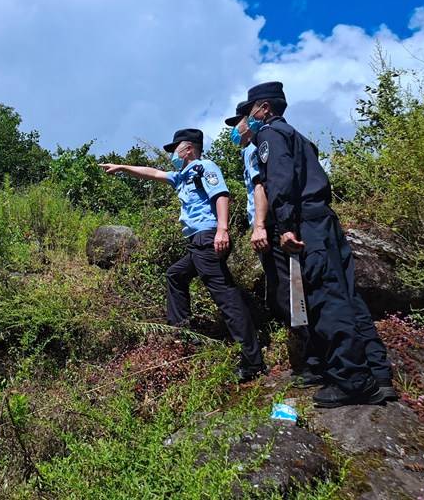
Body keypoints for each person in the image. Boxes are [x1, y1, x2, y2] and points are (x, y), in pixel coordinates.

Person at [243, 81, 397, 407]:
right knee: (348, 297)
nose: (249, 116)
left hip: (307, 224)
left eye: (251, 109)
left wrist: (284, 226)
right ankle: (378, 374)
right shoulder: (300, 137)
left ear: (264, 108)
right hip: (325, 221)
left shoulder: (269, 136)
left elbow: (280, 182)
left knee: (326, 298)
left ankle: (352, 381)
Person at [99, 128, 266, 382]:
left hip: (209, 238)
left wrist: (222, 230)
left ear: (188, 149)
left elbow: (221, 195)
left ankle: (253, 361)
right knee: (175, 275)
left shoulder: (203, 167)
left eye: (175, 149)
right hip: (197, 244)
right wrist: (122, 167)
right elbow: (153, 173)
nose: (172, 155)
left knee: (226, 298)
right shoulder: (182, 176)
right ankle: (181, 335)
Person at [225, 99, 323, 387]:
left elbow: (263, 187)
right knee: (282, 292)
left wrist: (260, 226)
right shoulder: (257, 145)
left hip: (272, 225)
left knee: (289, 292)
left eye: (238, 123)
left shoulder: (259, 144)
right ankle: (311, 357)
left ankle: (314, 359)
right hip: (273, 224)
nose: (236, 129)